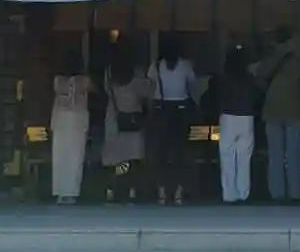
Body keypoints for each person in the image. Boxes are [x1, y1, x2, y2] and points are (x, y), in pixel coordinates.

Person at [256, 27, 300, 202]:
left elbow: (260, 75)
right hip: (294, 110)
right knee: (294, 155)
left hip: (272, 111)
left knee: (275, 155)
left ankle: (277, 193)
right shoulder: (297, 61)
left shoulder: (270, 60)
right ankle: (295, 193)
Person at [151, 34, 198, 206]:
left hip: (161, 109)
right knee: (181, 152)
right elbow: (193, 86)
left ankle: (162, 192)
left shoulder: (156, 66)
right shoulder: (186, 65)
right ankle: (179, 191)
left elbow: (150, 87)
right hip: (181, 109)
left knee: (160, 153)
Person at [102, 43, 151, 201]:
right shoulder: (137, 75)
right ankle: (131, 190)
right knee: (132, 158)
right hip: (132, 119)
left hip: (114, 118)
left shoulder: (109, 73)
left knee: (115, 159)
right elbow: (148, 92)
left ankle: (111, 189)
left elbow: (106, 90)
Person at [48, 45, 93, 204]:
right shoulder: (84, 81)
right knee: (76, 156)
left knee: (60, 156)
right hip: (78, 118)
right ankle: (72, 192)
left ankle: (59, 191)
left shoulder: (58, 80)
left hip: (61, 118)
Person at [216, 42, 256, 204]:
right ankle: (243, 193)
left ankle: (229, 194)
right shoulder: (250, 79)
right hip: (246, 117)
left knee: (227, 157)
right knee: (244, 158)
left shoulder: (224, 78)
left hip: (228, 117)